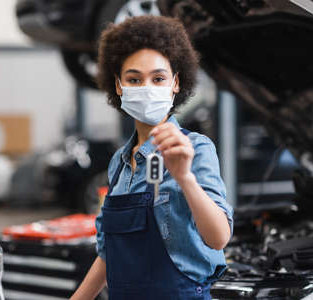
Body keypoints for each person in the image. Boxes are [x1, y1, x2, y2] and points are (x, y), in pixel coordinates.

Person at [70, 15, 234, 300]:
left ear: (175, 83)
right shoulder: (119, 165)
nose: (147, 88)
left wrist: (184, 177)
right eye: (134, 79)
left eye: (158, 78)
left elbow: (218, 237)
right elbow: (108, 251)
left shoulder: (196, 149)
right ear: (119, 86)